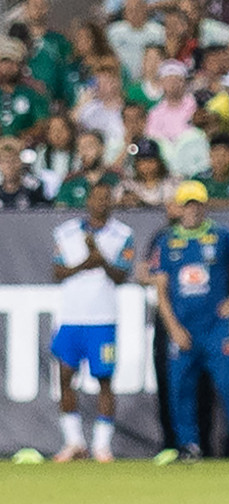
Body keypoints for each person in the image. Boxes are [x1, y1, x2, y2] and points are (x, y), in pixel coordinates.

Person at [151, 181, 229, 461]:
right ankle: (188, 445)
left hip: (215, 327)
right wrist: (173, 328)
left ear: (204, 206)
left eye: (196, 204)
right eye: (187, 205)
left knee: (227, 384)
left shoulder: (221, 235)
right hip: (184, 328)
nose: (192, 211)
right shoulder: (167, 241)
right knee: (180, 388)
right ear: (178, 208)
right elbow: (161, 291)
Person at [50, 180, 136, 462]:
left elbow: (121, 276)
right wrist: (83, 265)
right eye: (96, 197)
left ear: (112, 201)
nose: (101, 202)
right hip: (72, 317)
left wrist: (100, 259)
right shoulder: (66, 232)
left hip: (102, 318)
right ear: (88, 200)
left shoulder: (123, 235)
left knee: (104, 380)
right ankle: (74, 441)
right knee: (65, 377)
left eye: (106, 198)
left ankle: (101, 445)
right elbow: (57, 271)